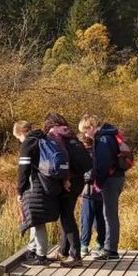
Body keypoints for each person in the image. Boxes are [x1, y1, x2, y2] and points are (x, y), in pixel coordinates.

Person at [45, 113, 91, 266]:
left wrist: (65, 180)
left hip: (69, 181)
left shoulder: (56, 135)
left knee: (66, 217)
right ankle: (63, 251)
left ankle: (75, 255)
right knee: (67, 214)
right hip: (79, 180)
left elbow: (62, 159)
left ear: (51, 124)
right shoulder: (70, 134)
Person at [14, 120, 59, 266]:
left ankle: (41, 257)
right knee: (37, 219)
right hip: (48, 185)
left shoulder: (28, 143)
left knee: (38, 221)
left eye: (18, 138)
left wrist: (20, 190)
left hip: (34, 186)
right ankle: (32, 250)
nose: (20, 141)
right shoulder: (44, 139)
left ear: (21, 133)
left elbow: (23, 170)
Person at [81, 115, 125, 260]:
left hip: (111, 180)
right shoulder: (109, 135)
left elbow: (102, 164)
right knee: (109, 214)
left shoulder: (103, 139)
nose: (85, 135)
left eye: (85, 131)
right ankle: (109, 248)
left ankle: (110, 250)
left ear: (91, 127)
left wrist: (97, 183)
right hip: (115, 178)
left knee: (109, 215)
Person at [78, 115, 106, 257]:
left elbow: (86, 171)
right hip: (101, 188)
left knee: (86, 218)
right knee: (100, 218)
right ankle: (100, 244)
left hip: (89, 189)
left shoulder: (88, 152)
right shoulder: (102, 146)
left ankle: (84, 246)